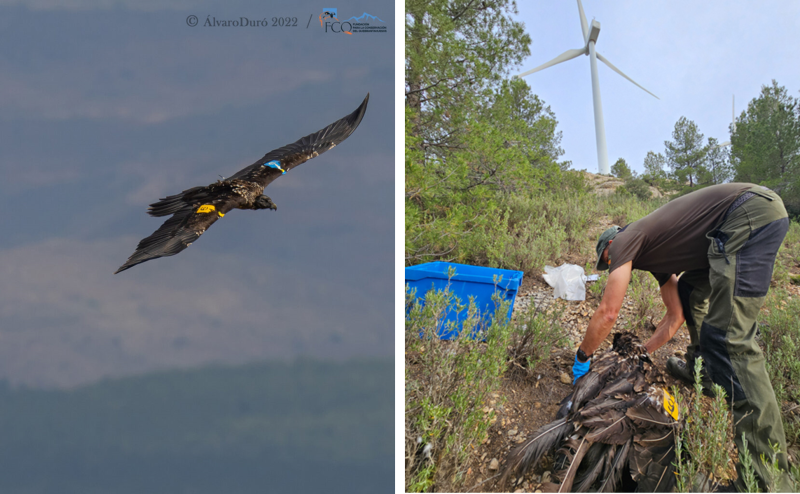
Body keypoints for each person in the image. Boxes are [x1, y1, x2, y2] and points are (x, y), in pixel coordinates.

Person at [572, 183, 791, 492]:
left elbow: (608, 312)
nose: (610, 265)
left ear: (610, 245)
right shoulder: (656, 256)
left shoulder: (625, 240)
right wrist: (640, 353)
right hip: (740, 218)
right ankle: (704, 372)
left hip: (748, 214)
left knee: (729, 340)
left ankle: (768, 480)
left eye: (606, 260)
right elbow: (675, 316)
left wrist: (583, 357)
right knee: (689, 292)